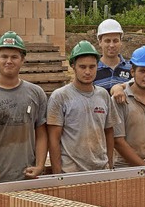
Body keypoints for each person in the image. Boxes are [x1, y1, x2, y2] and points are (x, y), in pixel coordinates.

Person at [0, 31, 48, 182]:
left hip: (26, 177)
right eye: (4, 56)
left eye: (14, 57)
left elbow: (41, 133)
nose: (9, 61)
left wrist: (39, 166)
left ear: (22, 60)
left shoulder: (36, 93)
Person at [47, 40, 119, 173]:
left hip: (100, 170)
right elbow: (54, 139)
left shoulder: (103, 95)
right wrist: (58, 175)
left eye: (92, 67)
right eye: (82, 67)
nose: (87, 72)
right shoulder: (60, 97)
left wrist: (109, 165)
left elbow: (109, 132)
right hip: (71, 171)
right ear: (73, 66)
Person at [94, 19, 132, 91]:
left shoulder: (131, 69)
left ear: (121, 42)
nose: (111, 45)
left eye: (115, 41)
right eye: (107, 41)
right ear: (100, 42)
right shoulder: (93, 69)